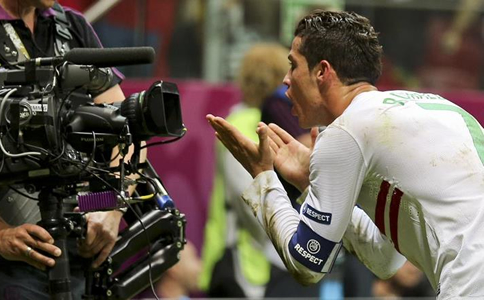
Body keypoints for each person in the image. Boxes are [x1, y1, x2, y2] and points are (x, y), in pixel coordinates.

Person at [207, 9, 484, 300]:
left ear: (322, 72)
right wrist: (308, 183)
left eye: (293, 65)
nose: (286, 80)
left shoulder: (346, 130)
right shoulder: (431, 107)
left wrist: (264, 178)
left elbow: (307, 263)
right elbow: (386, 259)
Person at [0, 0, 132, 299]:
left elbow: (128, 127)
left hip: (82, 246)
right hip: (7, 258)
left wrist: (112, 208)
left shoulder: (71, 25)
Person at [201, 43, 320, 298]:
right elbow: (250, 199)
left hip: (264, 259)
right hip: (250, 262)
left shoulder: (255, 121)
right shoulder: (251, 124)